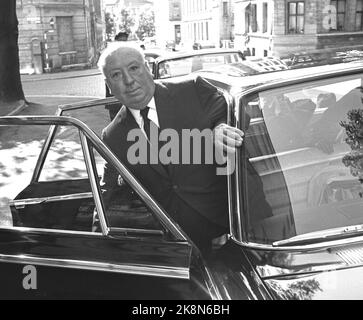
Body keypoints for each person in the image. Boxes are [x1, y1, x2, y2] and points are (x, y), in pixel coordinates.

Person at [97, 42, 244, 254]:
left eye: (134, 68)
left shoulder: (192, 90)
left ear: (147, 68)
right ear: (108, 85)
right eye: (116, 75)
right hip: (179, 248)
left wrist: (219, 127)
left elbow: (225, 111)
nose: (129, 81)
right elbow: (109, 191)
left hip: (233, 232)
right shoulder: (113, 135)